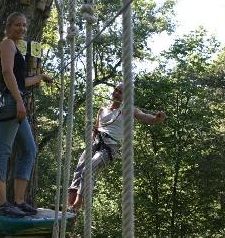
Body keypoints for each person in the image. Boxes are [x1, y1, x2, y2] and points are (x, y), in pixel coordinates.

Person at [0, 12, 52, 218]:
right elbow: (7, 73)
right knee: (2, 151)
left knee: (29, 150)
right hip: (9, 102)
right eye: (17, 25)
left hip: (15, 100)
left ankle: (19, 201)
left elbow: (20, 80)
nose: (22, 29)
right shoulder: (7, 44)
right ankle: (0, 203)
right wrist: (18, 101)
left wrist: (40, 76)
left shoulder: (15, 46)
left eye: (24, 25)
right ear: (7, 27)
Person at [67, 83, 166, 211]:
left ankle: (77, 205)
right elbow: (96, 128)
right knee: (79, 171)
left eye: (120, 92)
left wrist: (157, 118)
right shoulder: (102, 110)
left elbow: (147, 118)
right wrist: (92, 139)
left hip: (109, 148)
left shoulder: (129, 110)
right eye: (115, 90)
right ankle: (68, 205)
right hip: (95, 142)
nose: (116, 93)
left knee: (88, 170)